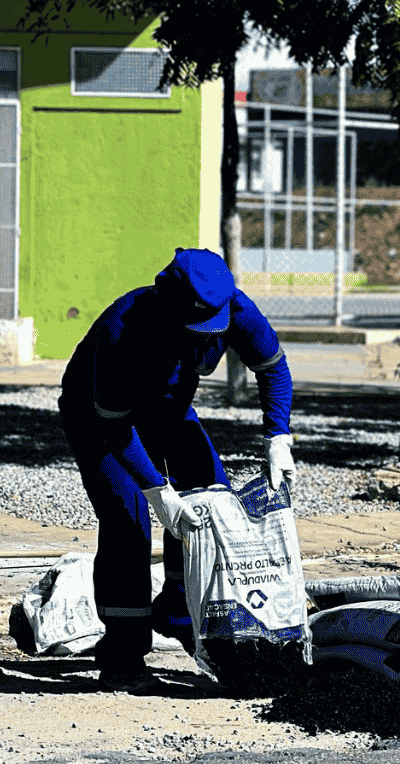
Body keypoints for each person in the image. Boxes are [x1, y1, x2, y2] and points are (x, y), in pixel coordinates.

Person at [59, 247, 295, 693]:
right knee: (128, 517)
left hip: (168, 407)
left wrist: (278, 436)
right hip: (100, 417)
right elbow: (116, 426)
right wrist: (157, 490)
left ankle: (178, 610)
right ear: (170, 307)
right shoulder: (123, 330)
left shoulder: (235, 308)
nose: (207, 335)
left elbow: (273, 368)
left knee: (213, 502)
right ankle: (122, 653)